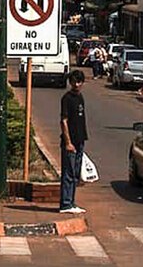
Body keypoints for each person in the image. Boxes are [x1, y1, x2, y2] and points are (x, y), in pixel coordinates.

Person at [59, 70, 88, 214]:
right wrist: (68, 142)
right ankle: (65, 204)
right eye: (74, 82)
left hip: (80, 140)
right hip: (70, 142)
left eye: (79, 82)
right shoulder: (67, 98)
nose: (76, 84)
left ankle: (71, 202)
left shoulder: (80, 97)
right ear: (70, 82)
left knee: (75, 173)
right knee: (68, 173)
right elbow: (64, 121)